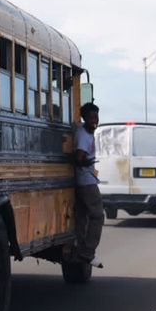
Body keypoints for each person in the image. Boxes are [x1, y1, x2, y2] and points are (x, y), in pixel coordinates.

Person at [72, 102, 104, 264]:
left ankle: (80, 248)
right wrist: (85, 162)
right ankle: (87, 251)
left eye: (96, 117)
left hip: (84, 180)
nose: (94, 120)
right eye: (91, 117)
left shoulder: (85, 132)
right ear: (84, 118)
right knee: (98, 215)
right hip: (86, 182)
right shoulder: (84, 135)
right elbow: (79, 156)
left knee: (82, 217)